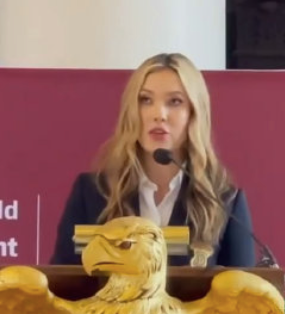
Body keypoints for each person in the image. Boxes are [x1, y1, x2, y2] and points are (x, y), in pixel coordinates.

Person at [49, 52, 256, 268]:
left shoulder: (224, 202)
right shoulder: (93, 192)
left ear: (194, 113)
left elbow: (244, 287)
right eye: (145, 100)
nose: (159, 114)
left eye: (175, 101)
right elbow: (62, 281)